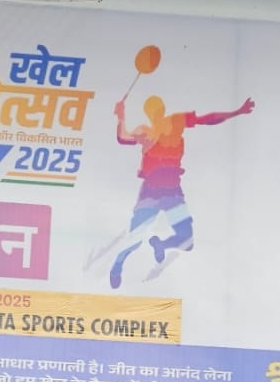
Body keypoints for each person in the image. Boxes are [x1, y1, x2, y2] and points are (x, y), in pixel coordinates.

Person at [89, 93, 254, 289]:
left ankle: (161, 244)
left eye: (159, 109)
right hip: (151, 192)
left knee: (187, 240)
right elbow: (123, 138)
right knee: (135, 240)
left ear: (162, 109)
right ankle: (117, 265)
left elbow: (207, 119)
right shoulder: (146, 131)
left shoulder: (176, 121)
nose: (157, 113)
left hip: (172, 191)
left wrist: (237, 112)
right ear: (150, 114)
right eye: (154, 110)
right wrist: (121, 116)